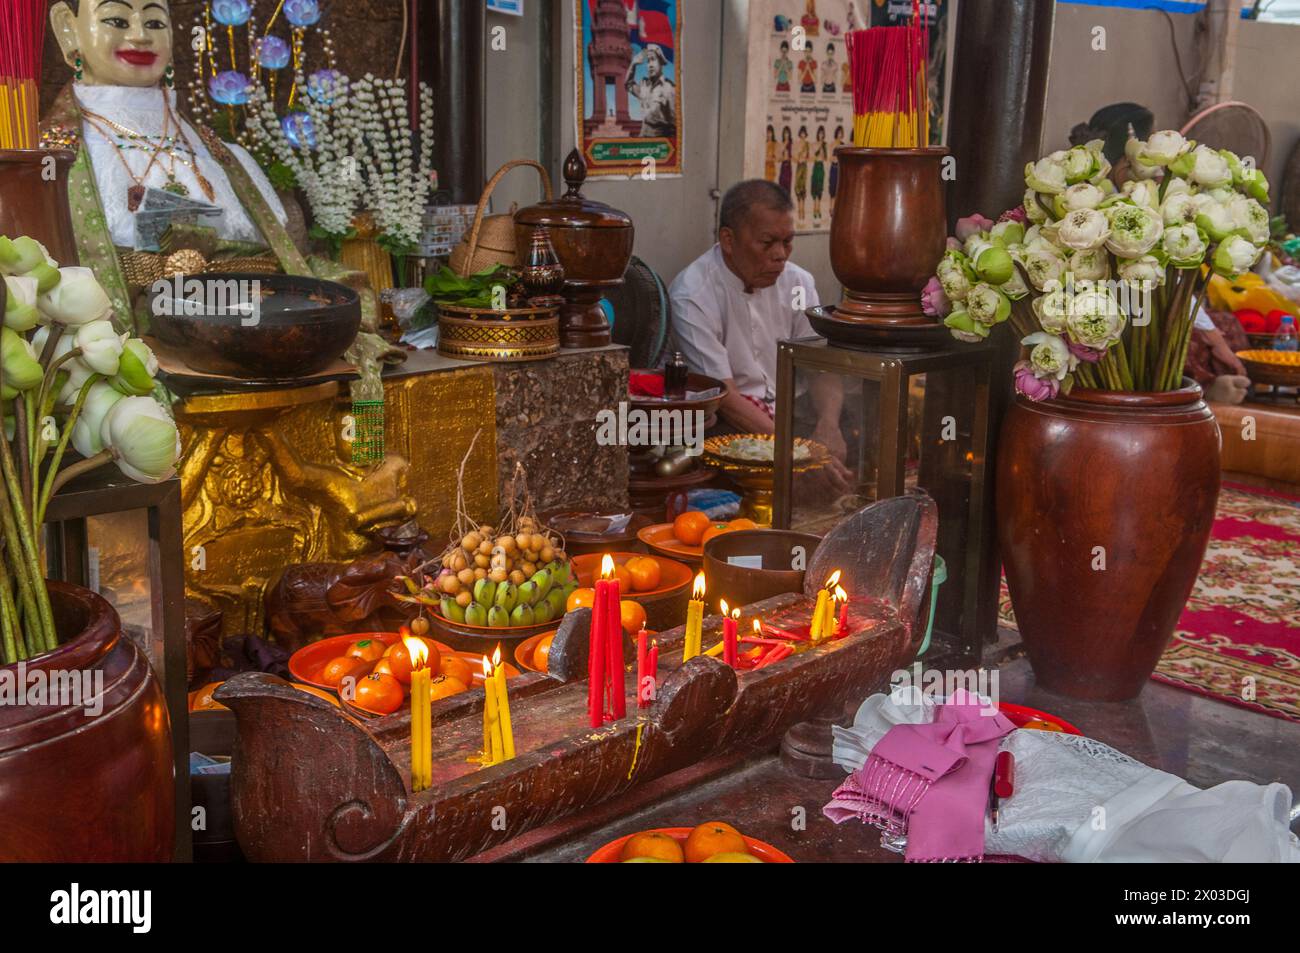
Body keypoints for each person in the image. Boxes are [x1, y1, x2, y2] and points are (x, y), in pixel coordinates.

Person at [669, 181, 852, 492]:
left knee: (849, 454)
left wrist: (829, 425)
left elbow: (819, 365)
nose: (780, 255)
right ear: (728, 239)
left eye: (787, 242)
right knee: (793, 486)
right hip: (733, 422)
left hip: (796, 411)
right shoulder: (693, 293)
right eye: (767, 243)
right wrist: (796, 453)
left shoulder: (798, 283)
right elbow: (724, 396)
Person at [625, 44, 676, 139]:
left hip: (658, 145)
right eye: (648, 61)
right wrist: (633, 64)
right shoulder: (644, 86)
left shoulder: (669, 89)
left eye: (653, 59)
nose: (650, 65)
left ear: (661, 62)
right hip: (643, 142)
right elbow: (628, 84)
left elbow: (675, 126)